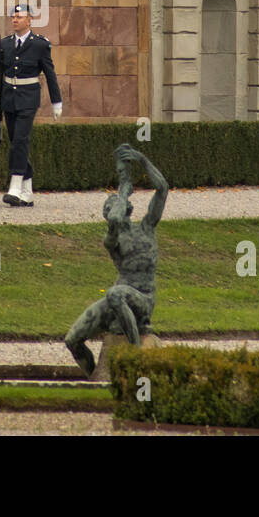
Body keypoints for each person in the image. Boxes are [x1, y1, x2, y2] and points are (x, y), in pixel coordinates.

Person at [64, 144, 168, 376]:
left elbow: (162, 188)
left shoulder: (147, 228)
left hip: (142, 298)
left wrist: (142, 160)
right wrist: (122, 192)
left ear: (128, 208)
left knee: (115, 293)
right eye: (108, 206)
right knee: (72, 340)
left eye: (114, 203)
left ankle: (135, 353)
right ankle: (95, 381)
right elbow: (113, 220)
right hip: (118, 300)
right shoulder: (111, 240)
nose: (112, 207)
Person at [0, 3, 62, 207]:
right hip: (8, 99)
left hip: (28, 98)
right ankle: (27, 191)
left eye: (19, 17)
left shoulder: (40, 44)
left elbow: (50, 73)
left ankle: (15, 185)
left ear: (29, 20)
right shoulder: (5, 44)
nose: (15, 20)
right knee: (16, 143)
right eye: (13, 17)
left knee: (21, 140)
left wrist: (57, 101)